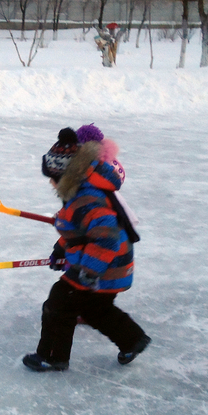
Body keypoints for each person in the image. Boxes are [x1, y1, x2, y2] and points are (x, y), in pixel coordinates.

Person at [22, 125, 151, 372]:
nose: (49, 182)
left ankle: (52, 356)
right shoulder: (80, 193)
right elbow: (78, 233)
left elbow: (105, 238)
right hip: (113, 265)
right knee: (95, 309)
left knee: (59, 303)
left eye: (51, 177)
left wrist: (89, 271)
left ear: (64, 175)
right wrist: (61, 250)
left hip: (102, 267)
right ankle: (132, 340)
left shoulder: (86, 198)